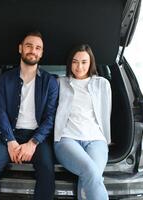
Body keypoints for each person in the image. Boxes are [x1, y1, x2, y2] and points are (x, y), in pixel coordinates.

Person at [0, 31, 59, 200]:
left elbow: (50, 118)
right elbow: (0, 113)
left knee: (47, 170)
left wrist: (33, 143)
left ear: (41, 53)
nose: (33, 50)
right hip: (9, 134)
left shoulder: (50, 82)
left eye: (38, 48)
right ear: (20, 48)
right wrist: (10, 141)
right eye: (29, 46)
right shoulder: (5, 79)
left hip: (37, 137)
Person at [54, 44, 111, 200]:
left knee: (91, 176)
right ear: (70, 63)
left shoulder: (102, 84)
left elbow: (106, 113)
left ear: (90, 62)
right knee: (90, 171)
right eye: (75, 61)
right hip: (67, 139)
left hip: (96, 140)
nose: (79, 67)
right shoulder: (60, 83)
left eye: (84, 62)